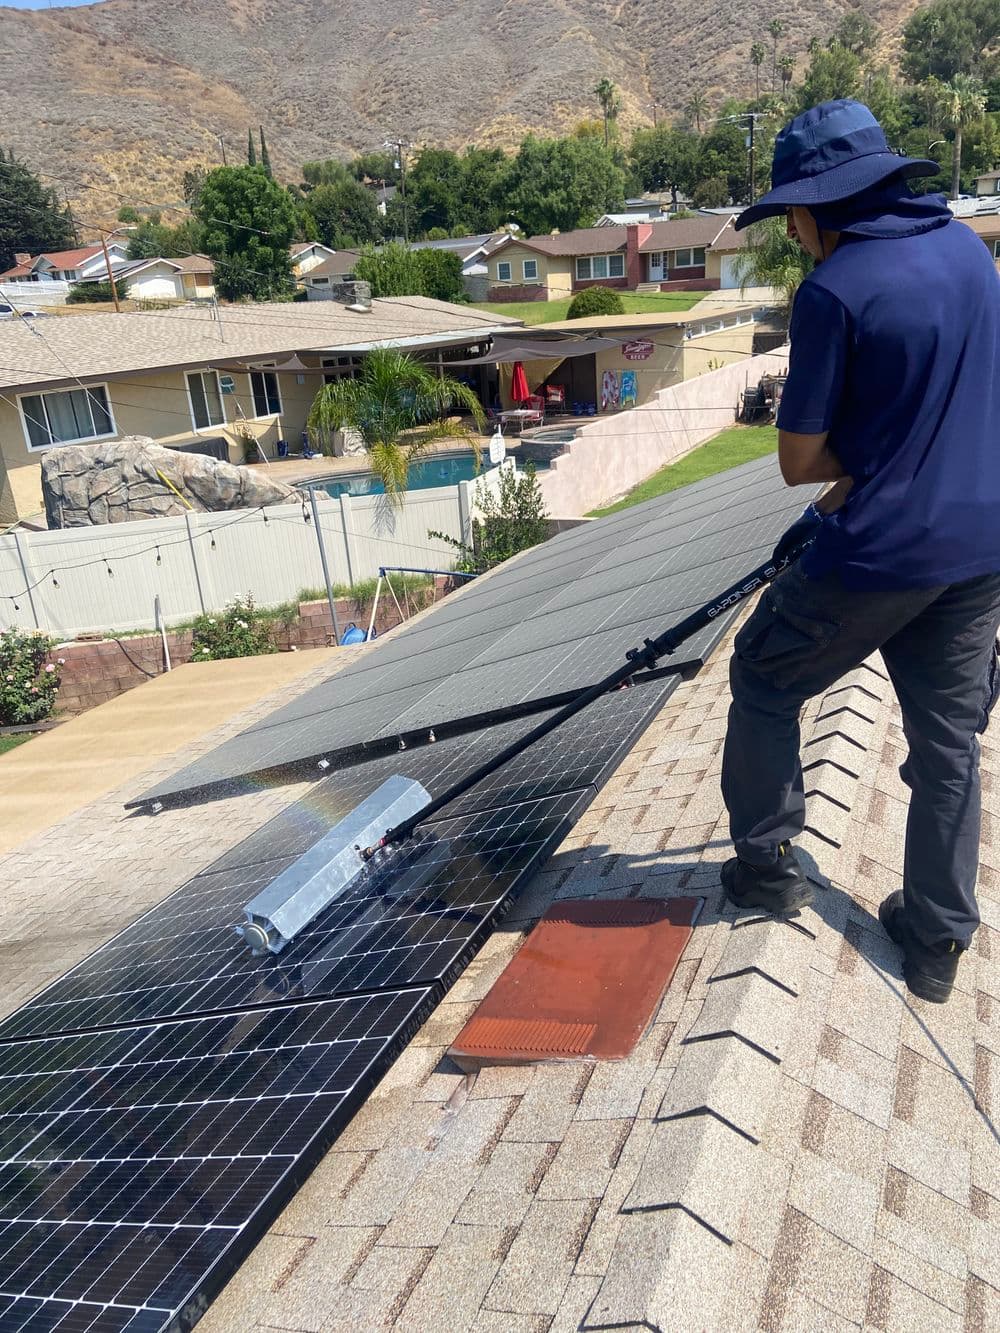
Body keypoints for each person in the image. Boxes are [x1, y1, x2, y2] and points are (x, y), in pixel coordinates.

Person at [720, 100, 1000, 1004]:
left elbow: (798, 461)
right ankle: (936, 940)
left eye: (793, 216)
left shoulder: (834, 292)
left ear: (813, 211)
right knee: (949, 743)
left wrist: (868, 464)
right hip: (983, 546)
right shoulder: (970, 252)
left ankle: (767, 867)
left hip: (881, 556)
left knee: (763, 679)